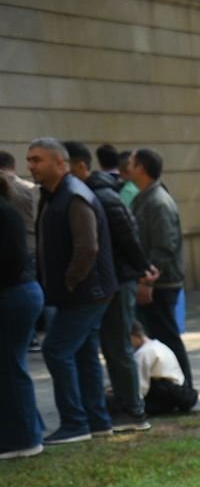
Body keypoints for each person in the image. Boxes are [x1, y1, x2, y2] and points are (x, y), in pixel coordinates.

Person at [27, 138, 116, 445]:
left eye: (38, 160)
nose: (31, 165)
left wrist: (68, 281)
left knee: (55, 349)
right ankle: (97, 420)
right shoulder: (52, 196)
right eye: (30, 159)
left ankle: (75, 422)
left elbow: (87, 247)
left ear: (60, 163)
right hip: (82, 291)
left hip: (86, 292)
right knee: (84, 352)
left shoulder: (74, 195)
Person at [65, 141, 151, 433]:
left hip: (118, 280)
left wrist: (141, 270)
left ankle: (134, 410)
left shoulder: (101, 195)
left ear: (79, 166)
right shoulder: (87, 193)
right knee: (111, 345)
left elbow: (127, 237)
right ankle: (124, 405)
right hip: (109, 280)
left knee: (117, 345)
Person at [126, 147, 196, 393]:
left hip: (161, 284)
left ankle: (183, 389)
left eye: (132, 164)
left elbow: (164, 248)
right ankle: (169, 388)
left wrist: (147, 282)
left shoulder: (157, 202)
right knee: (159, 336)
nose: (128, 168)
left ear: (141, 168)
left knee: (167, 336)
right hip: (154, 282)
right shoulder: (145, 197)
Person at [0, 170, 45, 459]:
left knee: (9, 367)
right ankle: (28, 432)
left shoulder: (4, 212)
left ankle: (24, 439)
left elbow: (10, 261)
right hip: (19, 293)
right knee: (11, 366)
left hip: (13, 295)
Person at [129, 320, 196, 415]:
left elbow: (141, 387)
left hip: (162, 397)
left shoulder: (143, 353)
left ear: (135, 336)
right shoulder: (158, 345)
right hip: (177, 390)